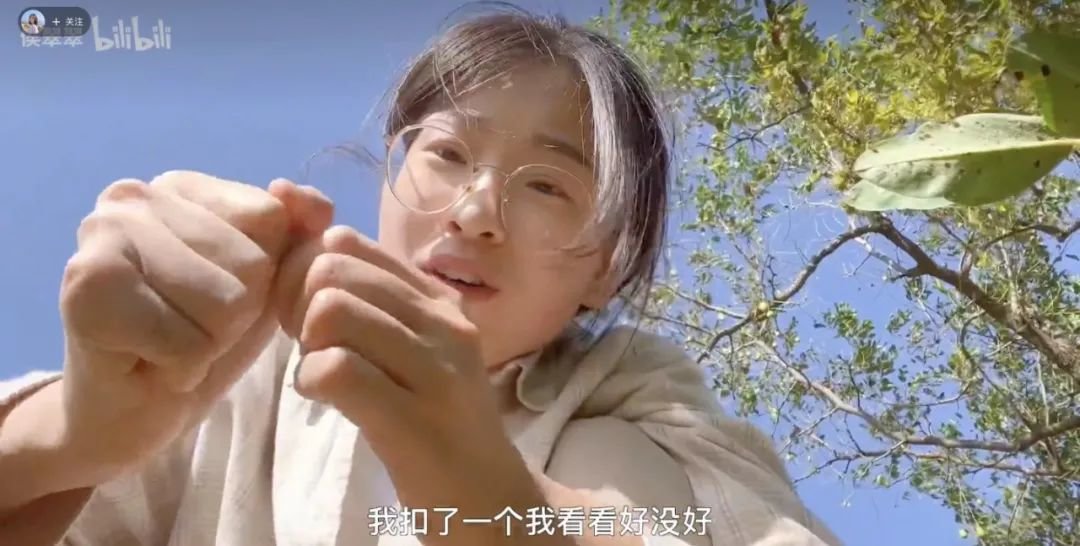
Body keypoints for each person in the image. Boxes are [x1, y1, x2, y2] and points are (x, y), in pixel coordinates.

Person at [0, 8, 841, 546]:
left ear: (607, 266)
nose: (474, 211)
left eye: (548, 186)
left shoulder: (636, 400)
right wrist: (75, 430)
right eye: (445, 153)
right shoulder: (236, 364)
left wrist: (505, 507)